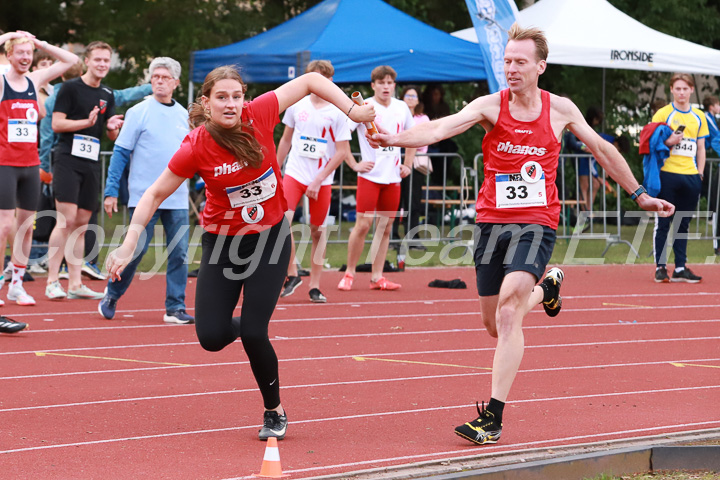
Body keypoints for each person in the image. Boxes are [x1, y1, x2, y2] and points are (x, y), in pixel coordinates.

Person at [370, 23, 673, 445]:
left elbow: (603, 149)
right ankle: (548, 287)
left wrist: (639, 193)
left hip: (537, 221)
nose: (510, 68)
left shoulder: (561, 109)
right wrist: (392, 139)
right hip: (492, 223)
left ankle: (491, 418)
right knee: (494, 324)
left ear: (540, 66)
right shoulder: (490, 106)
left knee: (510, 312)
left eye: (519, 62)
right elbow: (440, 129)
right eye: (506, 61)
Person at [105, 65, 375, 440]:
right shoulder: (196, 145)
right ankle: (245, 325)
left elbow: (313, 80)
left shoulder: (260, 112)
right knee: (211, 337)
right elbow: (153, 194)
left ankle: (273, 410)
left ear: (244, 97)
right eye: (221, 97)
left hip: (269, 238)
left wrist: (353, 110)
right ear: (207, 102)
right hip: (221, 243)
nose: (230, 104)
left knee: (253, 333)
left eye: (236, 96)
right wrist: (129, 241)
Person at [98, 57, 193, 324]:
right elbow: (120, 152)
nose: (159, 81)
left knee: (180, 251)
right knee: (135, 250)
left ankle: (175, 307)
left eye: (165, 78)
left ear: (176, 82)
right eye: (155, 77)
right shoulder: (138, 111)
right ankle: (112, 294)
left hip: (177, 197)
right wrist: (111, 190)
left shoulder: (184, 116)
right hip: (143, 196)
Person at [0, 31, 79, 307]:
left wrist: (41, 43)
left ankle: (17, 286)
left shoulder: (34, 80)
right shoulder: (1, 82)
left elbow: (71, 60)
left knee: (25, 227)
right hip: (4, 163)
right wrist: (8, 36)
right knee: (4, 225)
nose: (24, 57)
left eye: (28, 53)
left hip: (30, 165)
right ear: (9, 55)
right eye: (19, 52)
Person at [45, 41, 124, 300]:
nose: (102, 64)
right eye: (98, 59)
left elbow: (110, 134)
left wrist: (112, 125)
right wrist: (86, 122)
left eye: (106, 60)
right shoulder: (70, 88)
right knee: (65, 219)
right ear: (87, 61)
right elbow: (57, 124)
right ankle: (52, 281)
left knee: (81, 223)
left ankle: (76, 283)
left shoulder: (108, 94)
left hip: (90, 162)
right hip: (67, 159)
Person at [275, 60, 351, 303]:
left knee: (317, 231)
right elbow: (286, 140)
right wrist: (276, 167)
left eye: (323, 79)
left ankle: (315, 286)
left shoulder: (338, 111)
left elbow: (341, 151)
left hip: (322, 178)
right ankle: (293, 272)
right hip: (295, 173)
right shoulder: (296, 105)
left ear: (330, 82)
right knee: (282, 221)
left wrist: (318, 180)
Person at [337, 65, 416, 292]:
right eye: (381, 83)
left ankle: (377, 276)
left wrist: (408, 164)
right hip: (370, 175)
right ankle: (349, 273)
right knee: (363, 225)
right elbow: (342, 134)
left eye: (390, 82)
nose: (386, 87)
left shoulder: (402, 107)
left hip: (393, 178)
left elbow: (411, 137)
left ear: (394, 85)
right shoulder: (364, 107)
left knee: (386, 226)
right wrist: (354, 164)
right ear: (373, 85)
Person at [651, 73, 707, 283]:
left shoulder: (699, 116)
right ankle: (661, 266)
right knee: (664, 221)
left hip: (691, 176)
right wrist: (669, 141)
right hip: (667, 174)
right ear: (671, 90)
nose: (682, 92)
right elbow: (649, 143)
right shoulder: (663, 114)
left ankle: (681, 267)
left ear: (692, 90)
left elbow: (700, 146)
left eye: (685, 88)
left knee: (683, 223)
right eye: (678, 88)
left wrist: (700, 172)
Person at [394, 85, 430, 239]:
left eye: (413, 96)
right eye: (407, 96)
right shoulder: (396, 115)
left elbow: (423, 140)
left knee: (413, 201)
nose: (410, 99)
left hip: (416, 164)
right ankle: (392, 236)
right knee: (395, 200)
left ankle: (413, 236)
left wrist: (405, 140)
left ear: (418, 100)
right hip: (396, 161)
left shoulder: (423, 118)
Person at [701, 95, 720, 255]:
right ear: (712, 106)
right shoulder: (707, 117)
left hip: (706, 158)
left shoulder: (711, 117)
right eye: (717, 104)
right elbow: (715, 138)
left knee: (709, 190)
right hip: (703, 157)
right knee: (710, 192)